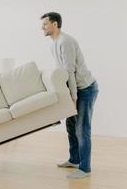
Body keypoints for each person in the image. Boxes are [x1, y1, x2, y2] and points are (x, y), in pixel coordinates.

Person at [41, 12, 99, 179]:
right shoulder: (53, 44)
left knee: (82, 129)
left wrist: (73, 97)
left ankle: (85, 168)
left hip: (85, 89)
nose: (42, 27)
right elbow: (61, 73)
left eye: (45, 24)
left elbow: (70, 71)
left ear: (55, 24)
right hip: (75, 89)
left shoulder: (65, 42)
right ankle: (74, 159)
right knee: (70, 125)